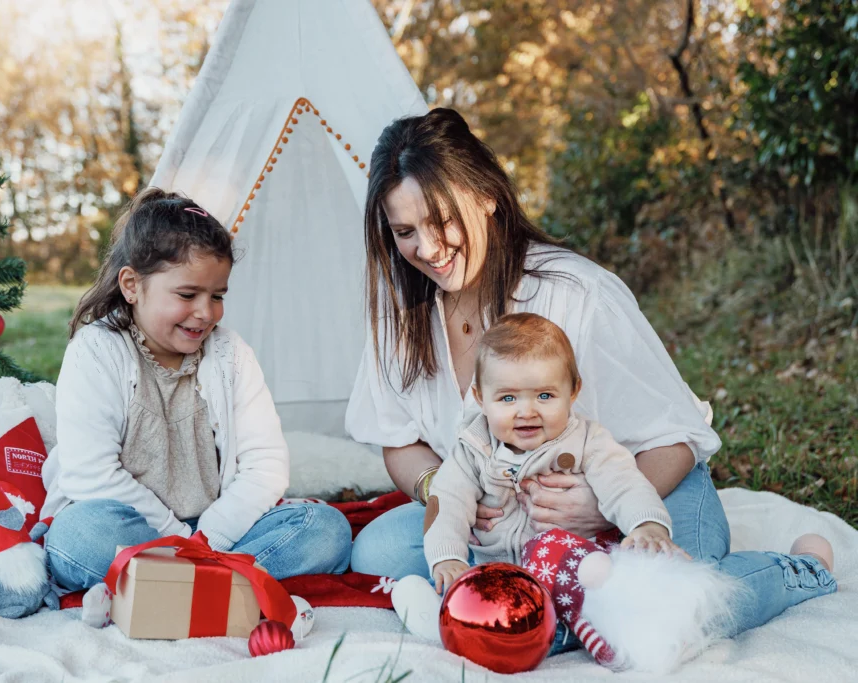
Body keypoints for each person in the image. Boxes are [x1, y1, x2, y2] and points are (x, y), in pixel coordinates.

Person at [346, 108, 836, 654]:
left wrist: (599, 506)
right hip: (508, 520)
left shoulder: (579, 294)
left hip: (641, 483)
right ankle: (558, 596)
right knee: (379, 554)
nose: (428, 249)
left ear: (486, 195)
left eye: (442, 221)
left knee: (672, 607)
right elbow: (398, 440)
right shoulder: (400, 312)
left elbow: (675, 440)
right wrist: (447, 490)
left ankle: (799, 569)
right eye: (406, 231)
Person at [40, 188, 352, 626]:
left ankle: (158, 592)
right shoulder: (96, 351)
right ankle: (224, 588)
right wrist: (175, 538)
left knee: (326, 529)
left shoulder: (230, 355)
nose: (206, 313)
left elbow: (265, 465)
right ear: (132, 286)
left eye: (218, 295)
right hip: (133, 530)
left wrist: (209, 536)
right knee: (77, 536)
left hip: (216, 531)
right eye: (187, 295)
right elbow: (91, 474)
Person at [425, 312, 682, 595]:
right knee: (472, 598)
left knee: (617, 589)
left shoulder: (587, 441)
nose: (526, 412)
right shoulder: (473, 449)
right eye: (507, 398)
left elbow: (624, 482)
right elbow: (446, 501)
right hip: (499, 573)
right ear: (481, 399)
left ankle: (573, 628)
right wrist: (448, 557)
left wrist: (646, 523)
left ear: (573, 391)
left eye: (544, 396)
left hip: (574, 572)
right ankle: (443, 612)